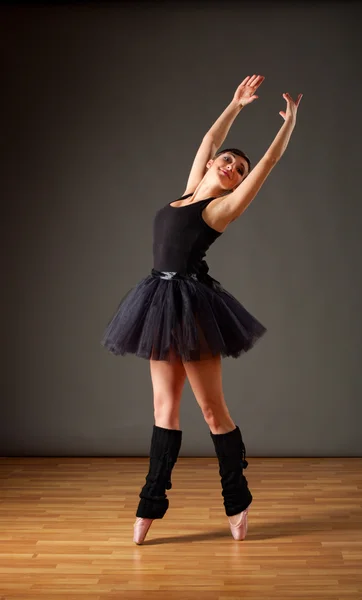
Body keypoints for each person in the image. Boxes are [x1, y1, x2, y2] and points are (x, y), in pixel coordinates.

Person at [101, 74, 302, 544]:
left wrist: (288, 123)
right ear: (213, 163)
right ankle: (150, 504)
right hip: (155, 301)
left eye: (238, 167)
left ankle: (237, 500)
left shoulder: (219, 208)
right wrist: (234, 104)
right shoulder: (188, 190)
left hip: (191, 307)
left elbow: (267, 163)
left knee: (213, 412)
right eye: (229, 160)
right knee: (163, 408)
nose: (233, 166)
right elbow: (210, 138)